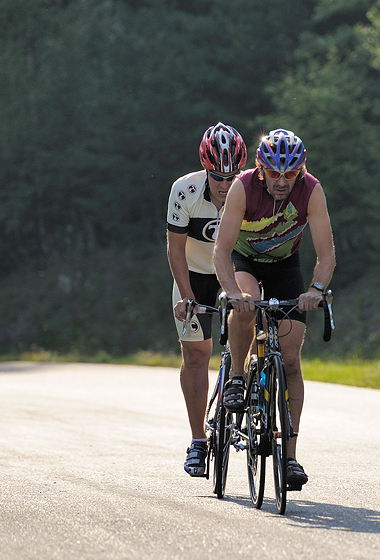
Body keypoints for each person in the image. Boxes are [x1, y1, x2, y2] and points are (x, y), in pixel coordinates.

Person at [214, 128, 335, 490]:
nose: (282, 181)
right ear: (260, 168)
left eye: (290, 173)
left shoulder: (311, 190)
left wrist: (315, 289)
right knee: (247, 306)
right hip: (244, 259)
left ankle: (290, 457)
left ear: (301, 170)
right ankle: (237, 377)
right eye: (274, 173)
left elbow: (327, 255)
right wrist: (232, 291)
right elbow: (221, 252)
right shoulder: (243, 186)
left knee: (292, 357)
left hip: (285, 265)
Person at [166, 122, 247, 477]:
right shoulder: (184, 190)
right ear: (205, 169)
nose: (226, 185)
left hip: (237, 270)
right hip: (196, 275)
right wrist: (186, 296)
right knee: (197, 355)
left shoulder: (250, 191)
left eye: (232, 177)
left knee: (257, 326)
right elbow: (175, 249)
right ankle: (199, 441)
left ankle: (246, 384)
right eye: (218, 177)